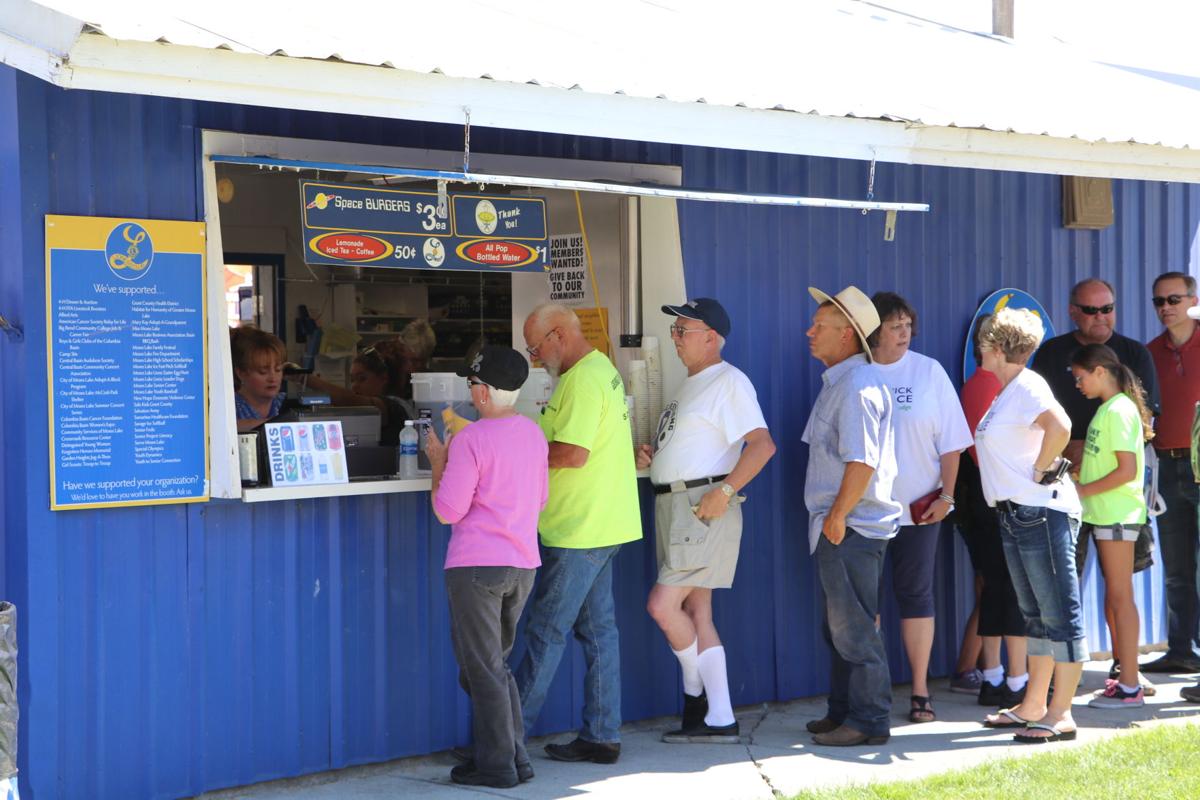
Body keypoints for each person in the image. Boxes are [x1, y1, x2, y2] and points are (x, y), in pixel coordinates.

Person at [637, 298, 776, 743]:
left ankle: (698, 696)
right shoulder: (691, 384)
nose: (675, 337)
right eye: (675, 330)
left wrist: (726, 491)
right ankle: (715, 716)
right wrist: (656, 457)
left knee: (662, 606)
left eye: (684, 330)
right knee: (697, 611)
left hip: (700, 505)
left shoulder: (729, 382)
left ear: (711, 338)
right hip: (676, 503)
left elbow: (762, 445)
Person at [514, 304, 642, 764]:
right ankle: (602, 734)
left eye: (534, 347)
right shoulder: (597, 369)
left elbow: (571, 454)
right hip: (604, 523)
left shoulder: (584, 379)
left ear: (558, 335)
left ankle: (505, 742)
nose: (533, 358)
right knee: (598, 632)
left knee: (545, 633)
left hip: (580, 531)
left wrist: (516, 449)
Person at [424, 346, 549, 788]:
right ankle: (514, 757)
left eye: (472, 383)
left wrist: (439, 462)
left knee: (483, 669)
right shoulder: (534, 435)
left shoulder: (471, 440)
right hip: (522, 564)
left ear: (483, 392)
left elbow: (447, 511)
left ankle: (497, 765)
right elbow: (540, 501)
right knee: (496, 665)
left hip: (476, 566)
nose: (469, 390)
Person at [976, 308, 1087, 743]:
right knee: (1036, 616)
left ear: (998, 348)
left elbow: (1060, 426)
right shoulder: (1010, 390)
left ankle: (1061, 712)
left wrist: (1042, 470)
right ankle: (1035, 704)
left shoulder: (1026, 385)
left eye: (984, 341)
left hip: (1040, 510)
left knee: (1059, 613)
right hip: (1018, 512)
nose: (979, 348)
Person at [801, 285, 900, 747]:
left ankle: (869, 722)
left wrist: (837, 517)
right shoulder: (845, 383)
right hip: (843, 526)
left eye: (819, 327)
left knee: (854, 630)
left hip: (851, 527)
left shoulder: (857, 386)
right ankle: (843, 712)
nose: (809, 332)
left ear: (847, 337)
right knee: (839, 627)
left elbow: (862, 461)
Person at [867, 292, 972, 724]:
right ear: (874, 330)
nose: (905, 332)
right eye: (895, 326)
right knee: (864, 600)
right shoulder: (856, 372)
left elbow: (952, 442)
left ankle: (920, 690)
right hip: (866, 513)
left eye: (909, 324)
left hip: (920, 510)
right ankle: (870, 693)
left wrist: (947, 497)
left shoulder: (929, 372)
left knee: (916, 594)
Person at [1069, 343, 1154, 708]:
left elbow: (1127, 471)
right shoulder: (1110, 409)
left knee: (1121, 598)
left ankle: (1130, 685)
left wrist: (1084, 488)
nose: (1078, 385)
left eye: (1080, 377)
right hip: (1105, 514)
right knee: (1116, 597)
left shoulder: (1118, 410)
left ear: (1100, 371)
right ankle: (1125, 681)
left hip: (1117, 515)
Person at [951, 315, 1029, 709]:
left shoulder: (1000, 385)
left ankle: (995, 674)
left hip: (992, 498)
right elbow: (978, 451)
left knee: (997, 588)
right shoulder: (985, 386)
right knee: (1004, 588)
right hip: (990, 501)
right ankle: (1007, 678)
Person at [1145, 271, 1200, 676]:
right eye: (1159, 301)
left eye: (1174, 299)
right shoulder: (1149, 353)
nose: (1166, 308)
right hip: (1166, 466)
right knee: (1177, 567)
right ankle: (1181, 650)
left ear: (1193, 300)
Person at [306, 344, 415, 444]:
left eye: (362, 379)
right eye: (352, 380)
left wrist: (304, 378)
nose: (354, 386)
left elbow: (347, 399)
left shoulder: (393, 407)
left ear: (383, 378)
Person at [230, 326, 287, 432]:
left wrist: (305, 378)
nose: (273, 378)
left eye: (278, 369)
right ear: (241, 373)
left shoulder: (285, 403)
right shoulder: (229, 407)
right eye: (263, 372)